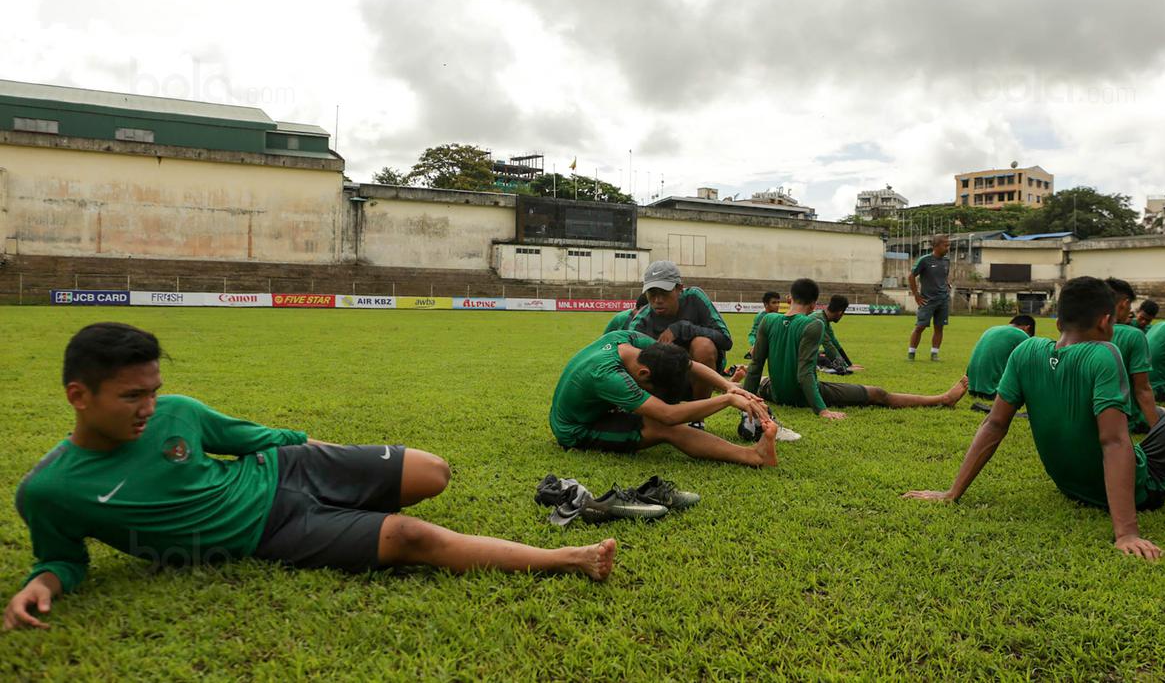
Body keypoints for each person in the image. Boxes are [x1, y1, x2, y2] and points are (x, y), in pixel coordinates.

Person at [5, 324, 618, 631]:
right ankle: (564, 557)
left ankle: (359, 494)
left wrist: (330, 457)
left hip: (287, 469)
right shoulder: (50, 490)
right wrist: (45, 584)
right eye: (130, 396)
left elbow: (258, 439)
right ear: (77, 395)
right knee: (410, 537)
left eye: (153, 391)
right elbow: (64, 558)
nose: (148, 408)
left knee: (434, 471)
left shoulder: (178, 412)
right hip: (271, 528)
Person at [905, 277, 1165, 561]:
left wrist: (952, 493)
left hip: (1070, 485)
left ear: (1059, 322)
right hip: (1143, 487)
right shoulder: (1104, 353)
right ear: (1106, 322)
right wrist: (1126, 533)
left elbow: (993, 424)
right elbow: (1114, 441)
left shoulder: (1025, 351)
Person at [744, 278, 967, 422]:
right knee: (878, 394)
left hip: (776, 393)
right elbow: (804, 374)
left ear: (789, 298)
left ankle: (733, 384)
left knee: (759, 377)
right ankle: (942, 399)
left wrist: (748, 402)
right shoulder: (814, 323)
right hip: (803, 395)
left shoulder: (768, 320)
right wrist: (822, 410)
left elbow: (755, 367)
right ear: (814, 304)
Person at [549, 330, 778, 465]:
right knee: (663, 427)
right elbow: (668, 416)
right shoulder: (609, 377)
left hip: (598, 407)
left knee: (660, 418)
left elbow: (688, 364)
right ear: (644, 374)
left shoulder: (628, 340)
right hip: (577, 429)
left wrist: (729, 386)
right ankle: (754, 456)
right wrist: (726, 400)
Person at [628, 261, 733, 427]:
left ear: (679, 289)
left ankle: (697, 420)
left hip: (702, 377)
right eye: (652, 293)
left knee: (703, 345)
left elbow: (726, 340)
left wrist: (684, 328)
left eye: (664, 292)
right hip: (662, 382)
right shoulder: (641, 322)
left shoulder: (695, 298)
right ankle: (656, 416)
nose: (657, 300)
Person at [1106, 278, 1161, 434]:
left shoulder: (1079, 332)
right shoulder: (1134, 335)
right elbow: (1142, 389)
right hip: (1126, 420)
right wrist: (1158, 432)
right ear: (1125, 303)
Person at [965, 314, 1035, 411]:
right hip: (992, 392)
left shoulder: (991, 329)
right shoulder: (1021, 335)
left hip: (971, 388)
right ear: (1027, 328)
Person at [908, 234, 951, 361]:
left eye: (948, 245)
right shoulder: (925, 260)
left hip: (943, 299)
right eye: (945, 245)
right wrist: (916, 295)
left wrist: (947, 284)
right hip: (927, 300)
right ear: (936, 246)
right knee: (920, 327)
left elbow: (943, 276)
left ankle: (934, 353)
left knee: (939, 327)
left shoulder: (946, 261)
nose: (947, 248)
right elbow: (911, 276)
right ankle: (911, 353)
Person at [810, 295, 863, 374]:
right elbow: (828, 345)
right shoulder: (818, 320)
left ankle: (819, 366)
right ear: (840, 312)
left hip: (803, 352)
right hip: (797, 354)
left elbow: (834, 342)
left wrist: (849, 364)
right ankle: (819, 367)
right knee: (826, 359)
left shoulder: (823, 317)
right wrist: (845, 367)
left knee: (825, 355)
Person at [745, 291, 782, 358]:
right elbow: (752, 334)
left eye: (778, 302)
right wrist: (755, 345)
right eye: (774, 302)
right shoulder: (761, 317)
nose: (777, 305)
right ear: (766, 304)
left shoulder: (780, 317)